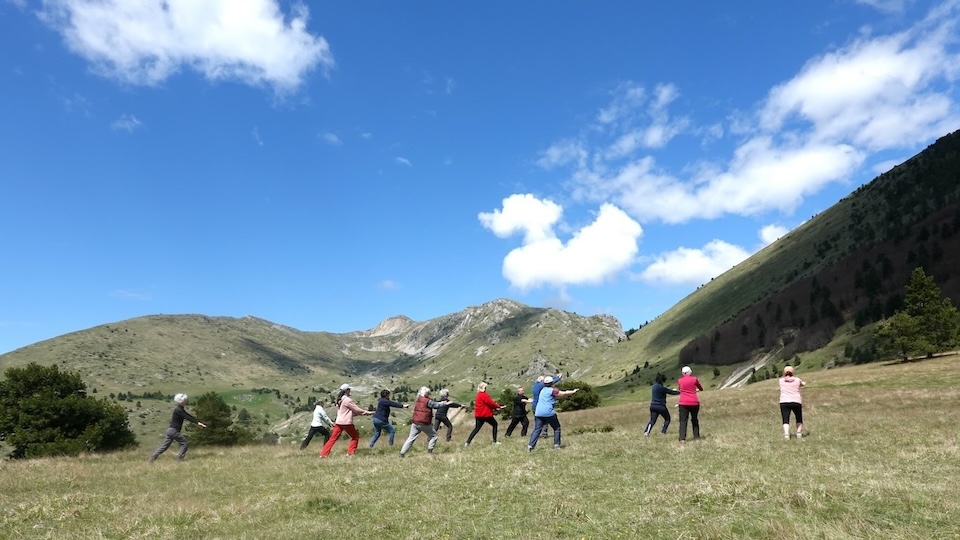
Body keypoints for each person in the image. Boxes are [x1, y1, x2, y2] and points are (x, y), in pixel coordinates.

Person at [320, 383, 373, 458]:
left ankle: (323, 454)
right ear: (346, 391)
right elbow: (357, 410)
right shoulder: (347, 400)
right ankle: (350, 453)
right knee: (355, 437)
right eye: (349, 389)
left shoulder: (339, 400)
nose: (350, 391)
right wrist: (368, 412)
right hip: (346, 423)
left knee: (332, 439)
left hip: (339, 422)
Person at [149, 393, 207, 462]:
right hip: (174, 431)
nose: (186, 401)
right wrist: (198, 422)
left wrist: (198, 422)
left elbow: (187, 416)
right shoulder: (178, 410)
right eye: (185, 400)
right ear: (181, 401)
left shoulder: (180, 409)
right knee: (184, 443)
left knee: (164, 446)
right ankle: (180, 459)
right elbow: (187, 417)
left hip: (170, 431)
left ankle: (153, 458)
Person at [527, 376, 578, 452]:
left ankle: (530, 446)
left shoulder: (542, 390)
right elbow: (563, 394)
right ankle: (556, 445)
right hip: (548, 412)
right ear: (552, 383)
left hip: (538, 412)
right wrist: (573, 391)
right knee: (557, 428)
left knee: (537, 430)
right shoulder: (552, 390)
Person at [399, 387, 450, 458]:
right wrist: (444, 403)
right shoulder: (427, 400)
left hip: (415, 422)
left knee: (411, 438)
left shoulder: (418, 400)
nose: (429, 394)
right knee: (434, 436)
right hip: (424, 422)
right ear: (426, 393)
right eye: (428, 393)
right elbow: (436, 405)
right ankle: (430, 451)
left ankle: (402, 453)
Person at [464, 382, 503, 447]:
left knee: (476, 428)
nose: (486, 389)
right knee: (495, 424)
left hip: (479, 415)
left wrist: (495, 407)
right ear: (482, 388)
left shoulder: (478, 395)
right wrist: (498, 406)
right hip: (485, 415)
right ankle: (494, 441)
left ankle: (467, 443)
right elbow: (490, 403)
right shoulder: (483, 395)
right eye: (485, 387)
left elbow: (487, 404)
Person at [677, 366, 704, 445]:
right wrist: (696, 390)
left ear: (682, 373)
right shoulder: (694, 379)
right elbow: (700, 388)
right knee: (694, 419)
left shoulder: (680, 380)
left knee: (683, 421)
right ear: (690, 372)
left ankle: (682, 439)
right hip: (694, 402)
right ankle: (696, 437)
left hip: (683, 402)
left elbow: (680, 389)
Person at [531, 371, 562, 439]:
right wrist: (558, 378)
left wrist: (555, 377)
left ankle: (536, 435)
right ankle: (543, 435)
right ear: (542, 381)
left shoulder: (535, 385)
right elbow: (550, 382)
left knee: (538, 422)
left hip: (534, 405)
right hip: (539, 406)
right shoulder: (541, 385)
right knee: (544, 421)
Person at [779, 365, 806, 439]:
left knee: (785, 419)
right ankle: (799, 433)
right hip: (796, 401)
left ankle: (786, 434)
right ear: (793, 372)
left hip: (784, 401)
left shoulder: (781, 380)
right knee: (798, 417)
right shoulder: (797, 380)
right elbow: (803, 384)